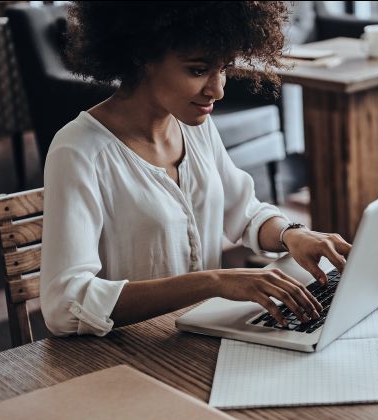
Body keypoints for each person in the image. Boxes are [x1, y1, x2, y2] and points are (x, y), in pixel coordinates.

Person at [40, 1, 352, 337]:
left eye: (223, 68)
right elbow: (63, 304)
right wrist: (213, 282)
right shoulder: (78, 150)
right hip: (128, 357)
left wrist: (293, 234)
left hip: (200, 336)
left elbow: (244, 212)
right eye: (198, 70)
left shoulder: (194, 125)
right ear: (141, 56)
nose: (217, 89)